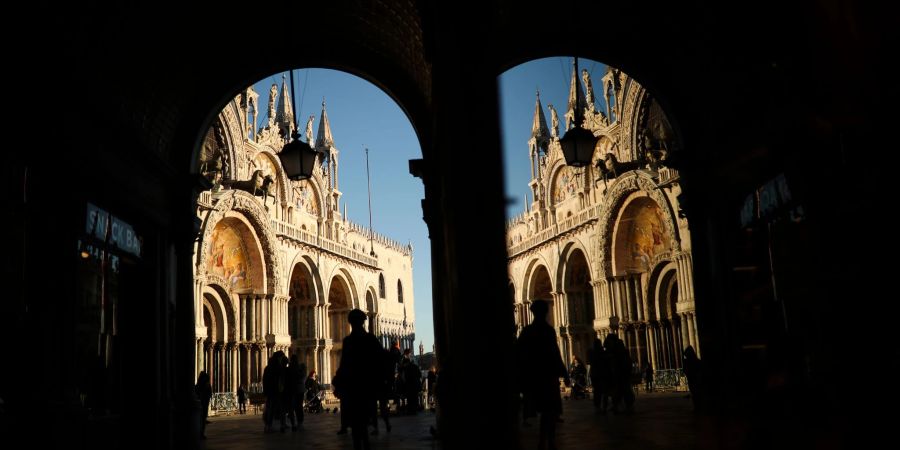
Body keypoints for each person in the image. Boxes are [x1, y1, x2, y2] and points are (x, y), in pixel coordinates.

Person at [516, 300, 570, 450]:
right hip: (547, 377)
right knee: (550, 412)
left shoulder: (527, 331)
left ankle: (543, 441)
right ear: (544, 312)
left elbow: (518, 354)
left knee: (546, 412)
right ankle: (549, 442)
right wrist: (564, 373)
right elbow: (555, 354)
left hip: (535, 378)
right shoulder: (548, 331)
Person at [332, 309, 382, 450]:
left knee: (356, 426)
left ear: (350, 322)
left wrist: (338, 381)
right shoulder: (371, 339)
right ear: (363, 322)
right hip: (367, 387)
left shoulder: (348, 341)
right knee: (363, 425)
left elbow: (344, 365)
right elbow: (381, 359)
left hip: (353, 388)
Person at [195, 371, 212, 440]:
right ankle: (201, 433)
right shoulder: (206, 386)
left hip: (202, 403)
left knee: (201, 419)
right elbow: (210, 394)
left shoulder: (198, 385)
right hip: (203, 403)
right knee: (202, 419)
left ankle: (200, 433)